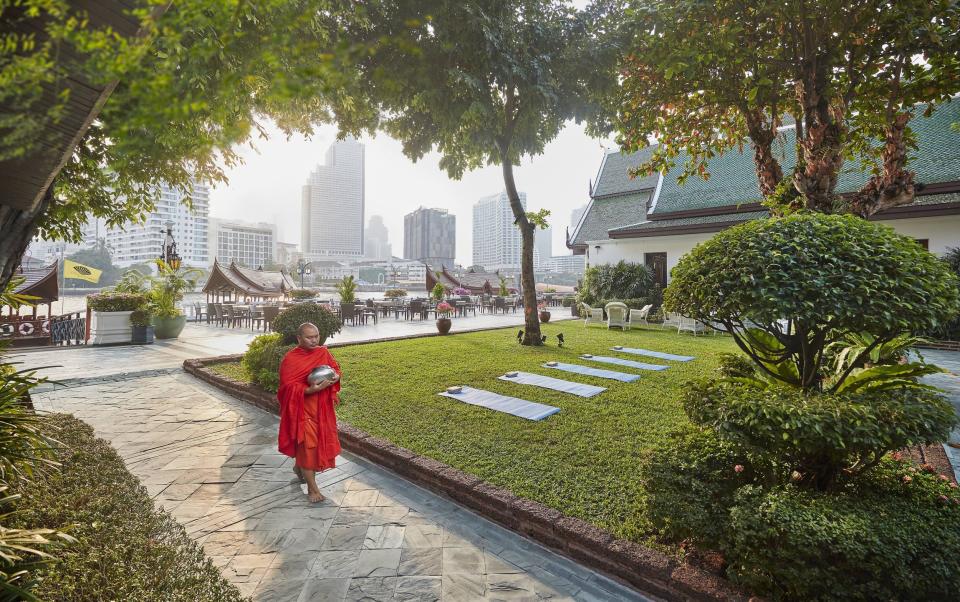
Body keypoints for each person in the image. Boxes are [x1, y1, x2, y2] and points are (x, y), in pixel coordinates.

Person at [277, 322, 341, 502]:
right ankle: (313, 490)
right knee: (307, 446)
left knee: (314, 445)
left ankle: (299, 468)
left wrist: (335, 376)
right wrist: (309, 391)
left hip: (321, 409)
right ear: (299, 338)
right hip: (301, 411)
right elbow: (286, 388)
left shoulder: (323, 352)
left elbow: (334, 368)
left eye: (316, 336)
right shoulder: (291, 359)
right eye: (309, 337)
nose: (314, 341)